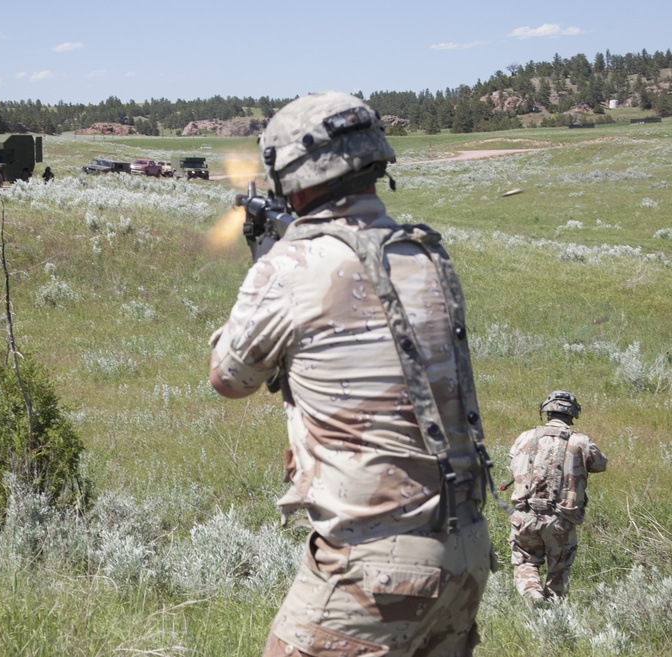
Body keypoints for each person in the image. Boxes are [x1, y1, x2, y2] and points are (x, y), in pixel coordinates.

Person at [209, 91, 497, 657]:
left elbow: (229, 377)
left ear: (297, 174)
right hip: (462, 552)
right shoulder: (427, 254)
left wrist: (266, 262)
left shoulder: (292, 267)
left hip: (374, 568)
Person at [507, 390, 607, 601]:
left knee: (526, 562)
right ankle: (553, 610)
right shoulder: (581, 442)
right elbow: (600, 464)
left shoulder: (524, 437)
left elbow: (513, 465)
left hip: (524, 517)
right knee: (558, 572)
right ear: (572, 415)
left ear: (546, 412)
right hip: (560, 520)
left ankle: (533, 595)